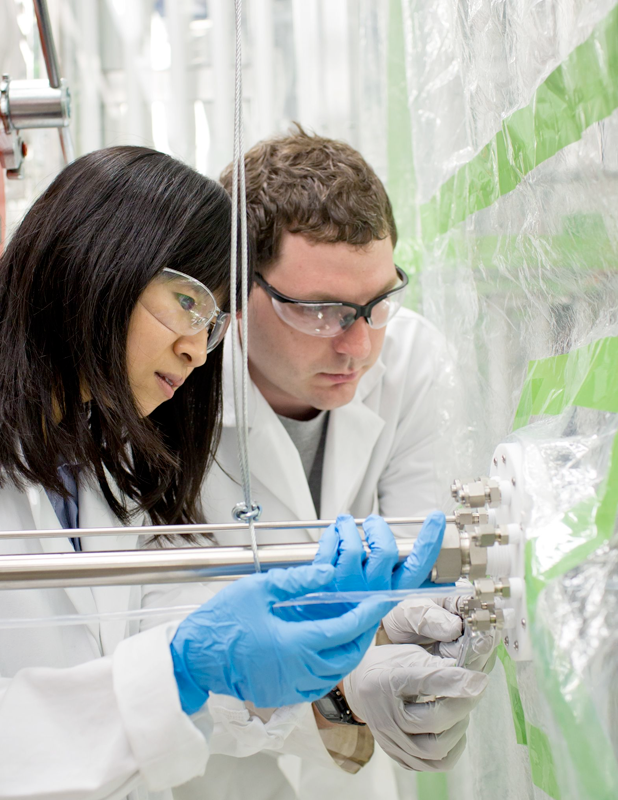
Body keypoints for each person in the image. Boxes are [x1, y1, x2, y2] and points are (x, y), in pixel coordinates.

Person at [0, 146, 424, 800]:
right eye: (186, 302)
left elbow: (164, 653)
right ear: (96, 264)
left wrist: (324, 670)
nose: (194, 347)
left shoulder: (105, 464)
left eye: (210, 323)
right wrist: (180, 666)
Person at [175, 128, 494, 799]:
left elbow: (421, 581)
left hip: (352, 766)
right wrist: (340, 681)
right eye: (320, 310)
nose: (358, 345)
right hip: (203, 765)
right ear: (233, 293)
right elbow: (164, 635)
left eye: (377, 303)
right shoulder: (173, 386)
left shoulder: (410, 360)